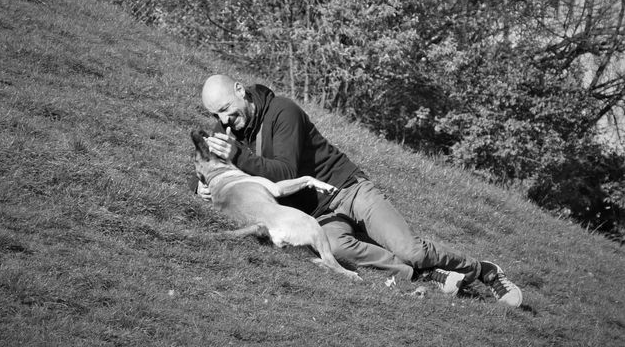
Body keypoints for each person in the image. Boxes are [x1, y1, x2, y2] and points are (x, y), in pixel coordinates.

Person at [193, 74, 523, 307]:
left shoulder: (283, 111)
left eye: (225, 108)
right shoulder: (232, 136)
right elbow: (215, 171)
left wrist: (238, 156)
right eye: (216, 114)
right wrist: (202, 186)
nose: (223, 120)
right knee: (333, 248)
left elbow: (286, 172)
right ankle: (425, 275)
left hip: (350, 189)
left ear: (240, 90)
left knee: (412, 248)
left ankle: (484, 271)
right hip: (321, 215)